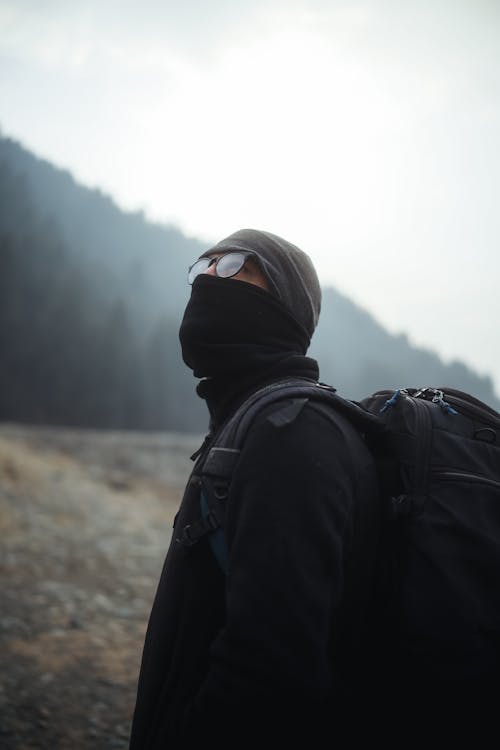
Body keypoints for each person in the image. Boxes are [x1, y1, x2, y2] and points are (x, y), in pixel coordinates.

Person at [129, 229, 381, 748]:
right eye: (201, 268)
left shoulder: (291, 434)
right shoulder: (252, 422)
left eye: (232, 266)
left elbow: (269, 674)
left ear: (283, 304)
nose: (206, 282)